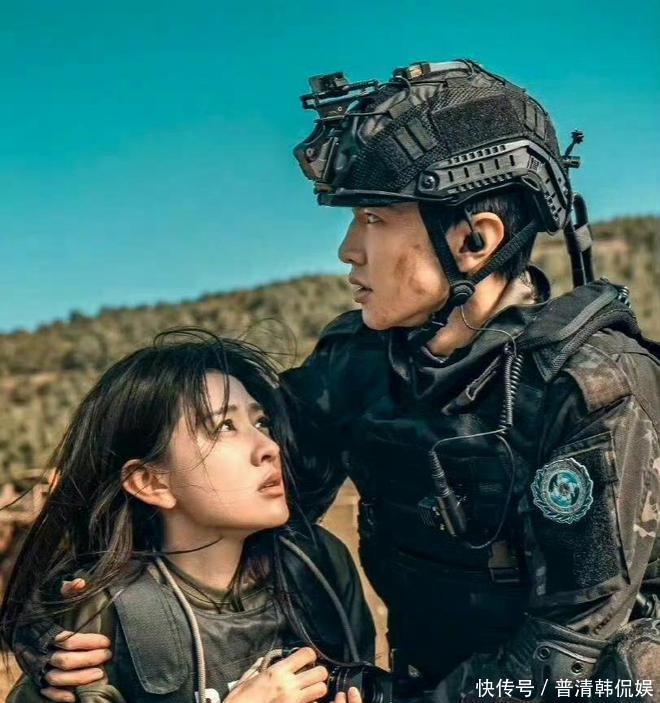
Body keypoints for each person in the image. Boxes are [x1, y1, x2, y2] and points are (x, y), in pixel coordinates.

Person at [15, 61, 660, 701]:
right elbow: (202, 493)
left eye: (374, 218)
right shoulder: (362, 364)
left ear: (473, 241)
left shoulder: (592, 387)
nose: (348, 250)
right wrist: (68, 620)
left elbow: (563, 658)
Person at [1, 331, 374, 703]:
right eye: (224, 426)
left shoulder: (317, 567)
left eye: (260, 422)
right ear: (150, 482)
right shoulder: (106, 615)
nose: (268, 447)